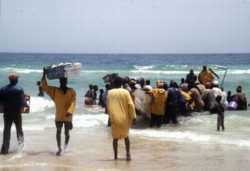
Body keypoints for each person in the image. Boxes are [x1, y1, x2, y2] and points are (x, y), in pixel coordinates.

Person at [41, 70, 76, 156]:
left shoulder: (72, 91)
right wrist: (44, 74)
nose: (63, 82)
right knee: (58, 131)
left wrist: (70, 112)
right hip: (59, 116)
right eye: (62, 81)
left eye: (65, 81)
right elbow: (44, 86)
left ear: (66, 81)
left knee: (67, 133)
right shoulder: (55, 91)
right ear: (60, 82)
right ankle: (59, 148)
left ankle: (65, 147)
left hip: (68, 116)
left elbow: (73, 102)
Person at [107, 76, 136, 161]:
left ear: (114, 83)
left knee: (115, 138)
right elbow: (131, 105)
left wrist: (109, 118)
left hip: (114, 118)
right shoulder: (125, 92)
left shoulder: (110, 92)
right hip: (124, 119)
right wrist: (133, 117)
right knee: (126, 137)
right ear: (121, 83)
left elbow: (109, 107)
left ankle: (115, 156)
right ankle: (128, 154)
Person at [0, 72, 26, 154]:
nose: (18, 79)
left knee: (6, 131)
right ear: (16, 80)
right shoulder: (19, 89)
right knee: (19, 130)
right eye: (17, 78)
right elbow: (23, 102)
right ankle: (21, 148)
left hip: (7, 113)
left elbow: (0, 102)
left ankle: (5, 149)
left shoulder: (3, 89)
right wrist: (24, 107)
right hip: (17, 113)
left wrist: (2, 109)